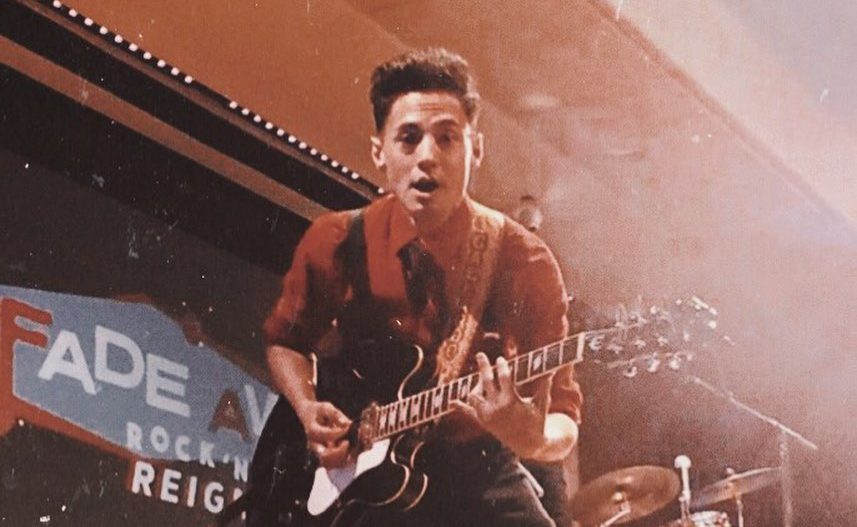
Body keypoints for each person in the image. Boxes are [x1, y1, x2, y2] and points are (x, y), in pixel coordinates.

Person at [263, 48, 582, 527]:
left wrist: (531, 437)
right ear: (379, 151)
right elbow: (285, 342)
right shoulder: (336, 239)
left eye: (447, 138)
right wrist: (308, 409)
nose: (428, 157)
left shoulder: (526, 263)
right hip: (361, 470)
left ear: (476, 149)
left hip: (476, 470)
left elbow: (563, 418)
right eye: (409, 139)